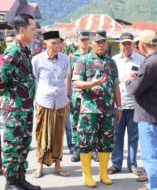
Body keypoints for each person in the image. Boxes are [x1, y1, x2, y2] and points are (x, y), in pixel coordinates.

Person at [0, 14, 40, 190]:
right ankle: (11, 182)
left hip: (25, 107)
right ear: (22, 30)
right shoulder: (13, 51)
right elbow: (1, 79)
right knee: (12, 145)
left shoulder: (24, 50)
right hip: (15, 108)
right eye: (33, 29)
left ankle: (20, 179)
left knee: (23, 144)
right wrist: (6, 96)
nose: (35, 33)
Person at [72, 30, 122, 187]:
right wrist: (92, 84)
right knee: (86, 142)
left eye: (103, 42)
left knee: (106, 142)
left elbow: (116, 86)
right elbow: (76, 83)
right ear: (91, 43)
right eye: (97, 42)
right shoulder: (83, 60)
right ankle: (87, 175)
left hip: (107, 110)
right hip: (89, 109)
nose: (100, 45)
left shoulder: (111, 62)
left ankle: (103, 174)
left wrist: (119, 106)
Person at [125, 30, 157, 190]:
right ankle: (155, 185)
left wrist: (127, 81)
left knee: (150, 158)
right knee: (156, 157)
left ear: (143, 46)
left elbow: (134, 88)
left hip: (149, 116)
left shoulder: (151, 62)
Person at [31, 31, 70, 178]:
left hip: (60, 101)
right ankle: (39, 165)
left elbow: (67, 78)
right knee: (41, 133)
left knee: (58, 134)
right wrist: (35, 101)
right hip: (43, 101)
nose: (57, 46)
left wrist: (67, 97)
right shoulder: (37, 60)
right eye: (53, 43)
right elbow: (34, 81)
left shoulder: (65, 59)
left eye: (58, 43)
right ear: (45, 44)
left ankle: (57, 166)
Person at [108, 33, 144, 175]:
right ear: (119, 45)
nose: (126, 46)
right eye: (124, 44)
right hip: (118, 105)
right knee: (117, 135)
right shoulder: (113, 60)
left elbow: (144, 81)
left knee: (133, 136)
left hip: (135, 104)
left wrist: (131, 80)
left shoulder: (141, 60)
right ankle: (116, 163)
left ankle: (132, 164)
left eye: (129, 43)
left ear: (134, 45)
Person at [68, 30, 98, 163]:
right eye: (82, 40)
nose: (85, 42)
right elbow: (68, 77)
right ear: (77, 41)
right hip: (77, 95)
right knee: (75, 122)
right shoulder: (72, 57)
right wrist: (66, 96)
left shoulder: (95, 56)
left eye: (87, 40)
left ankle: (94, 149)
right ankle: (77, 149)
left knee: (93, 123)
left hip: (92, 97)